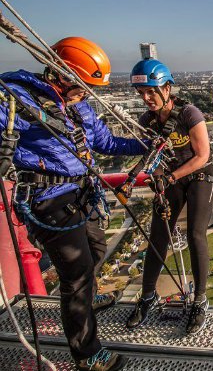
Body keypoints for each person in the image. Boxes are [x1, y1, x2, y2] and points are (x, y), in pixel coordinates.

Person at [0, 37, 147, 370]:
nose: (87, 94)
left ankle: (89, 299)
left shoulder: (78, 105)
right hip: (48, 199)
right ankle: (87, 354)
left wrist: (144, 144)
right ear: (63, 76)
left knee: (95, 249)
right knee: (76, 274)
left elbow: (103, 141)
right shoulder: (17, 98)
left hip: (78, 194)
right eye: (83, 86)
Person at [125, 57, 213, 335]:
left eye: (151, 91)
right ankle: (147, 297)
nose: (147, 98)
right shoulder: (147, 121)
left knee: (196, 235)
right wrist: (159, 180)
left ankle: (200, 300)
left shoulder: (190, 113)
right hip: (171, 178)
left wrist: (170, 178)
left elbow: (202, 155)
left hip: (200, 175)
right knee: (157, 237)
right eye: (142, 93)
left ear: (167, 88)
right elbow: (151, 157)